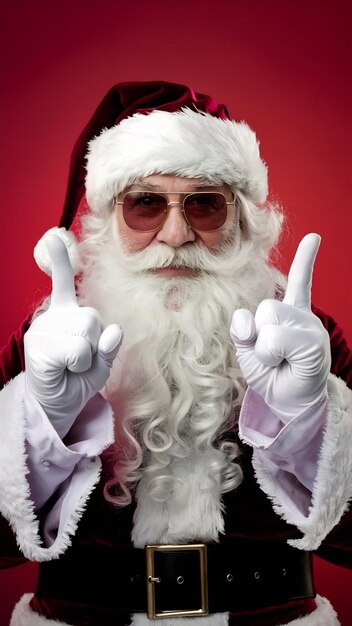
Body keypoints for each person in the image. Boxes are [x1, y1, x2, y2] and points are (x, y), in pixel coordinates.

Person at [0, 80, 351, 626]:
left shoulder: (306, 336)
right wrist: (46, 417)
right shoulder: (46, 339)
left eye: (205, 205)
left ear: (243, 221)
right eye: (144, 204)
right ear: (104, 224)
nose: (175, 234)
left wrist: (308, 420)